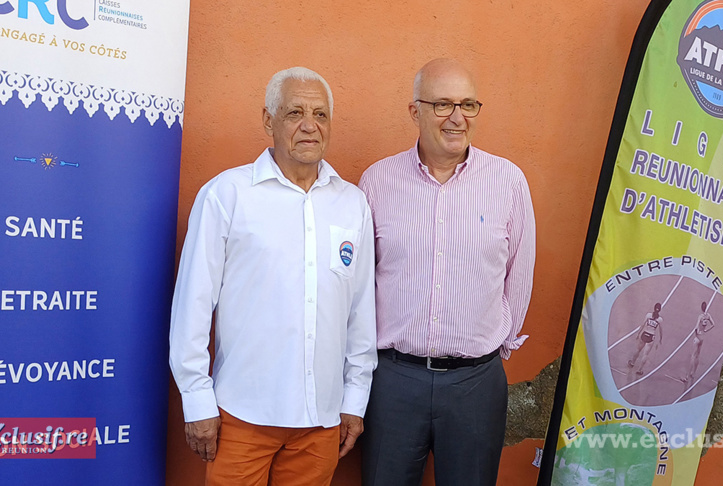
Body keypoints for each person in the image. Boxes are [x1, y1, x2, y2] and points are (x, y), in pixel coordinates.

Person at [169, 67, 377, 486]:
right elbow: (193, 304)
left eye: (320, 115)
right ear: (268, 121)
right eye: (294, 112)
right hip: (242, 415)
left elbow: (360, 311)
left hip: (321, 420)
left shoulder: (352, 204)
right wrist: (197, 400)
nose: (309, 126)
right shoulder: (227, 195)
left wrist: (355, 399)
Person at [358, 58, 536, 486]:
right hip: (393, 382)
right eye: (442, 105)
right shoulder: (377, 182)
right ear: (414, 111)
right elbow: (359, 284)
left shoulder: (508, 182)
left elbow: (520, 276)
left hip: (476, 383)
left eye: (468, 104)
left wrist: (492, 344)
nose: (457, 118)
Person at [681, 301, 715, 385]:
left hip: (698, 337)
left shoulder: (700, 316)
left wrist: (696, 334)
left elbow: (696, 327)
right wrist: (706, 330)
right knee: (698, 355)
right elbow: (713, 324)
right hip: (703, 337)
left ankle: (687, 377)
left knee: (692, 356)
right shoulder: (708, 316)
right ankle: (693, 373)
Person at [628, 302, 663, 376]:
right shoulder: (660, 319)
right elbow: (661, 330)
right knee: (645, 354)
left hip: (644, 334)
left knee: (638, 350)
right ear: (660, 310)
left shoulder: (648, 315)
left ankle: (632, 362)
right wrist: (660, 339)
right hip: (651, 336)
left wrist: (638, 333)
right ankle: (639, 370)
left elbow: (642, 325)